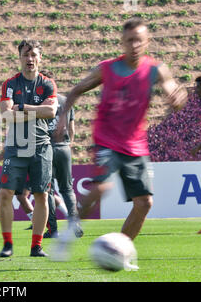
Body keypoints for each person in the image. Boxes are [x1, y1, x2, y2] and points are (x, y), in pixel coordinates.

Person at [51, 18, 187, 262]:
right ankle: (69, 233)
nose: (134, 45)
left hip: (135, 144)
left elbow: (171, 88)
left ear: (147, 42)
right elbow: (76, 90)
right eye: (129, 40)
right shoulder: (108, 68)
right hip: (107, 138)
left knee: (144, 203)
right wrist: (63, 118)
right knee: (103, 187)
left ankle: (119, 255)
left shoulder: (155, 69)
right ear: (122, 43)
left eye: (139, 40)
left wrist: (175, 96)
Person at [0, 38, 57, 258]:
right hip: (16, 147)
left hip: (41, 146)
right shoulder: (10, 84)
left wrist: (21, 107)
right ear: (20, 58)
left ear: (40, 58)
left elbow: (50, 113)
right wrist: (37, 109)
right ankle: (7, 244)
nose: (30, 59)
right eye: (26, 55)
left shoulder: (48, 84)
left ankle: (36, 246)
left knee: (41, 195)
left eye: (33, 55)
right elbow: (6, 114)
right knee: (5, 194)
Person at [42, 69, 82, 239]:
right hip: (64, 147)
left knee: (48, 191)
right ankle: (75, 224)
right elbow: (72, 128)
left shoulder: (40, 102)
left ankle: (53, 229)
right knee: (67, 189)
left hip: (46, 149)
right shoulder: (65, 101)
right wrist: (68, 144)